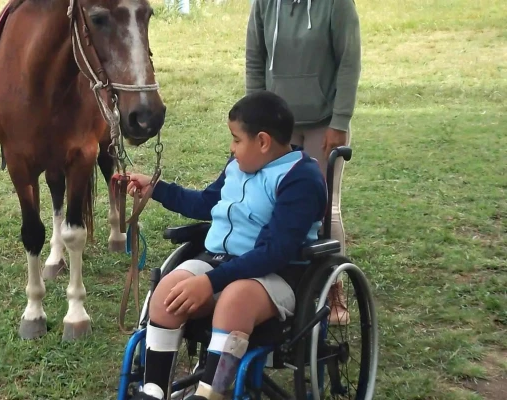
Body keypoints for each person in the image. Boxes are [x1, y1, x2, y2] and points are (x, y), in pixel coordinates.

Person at [127, 91, 327, 400]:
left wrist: (210, 282)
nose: (231, 148)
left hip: (273, 274)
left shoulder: (301, 179)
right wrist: (156, 189)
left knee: (235, 299)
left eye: (236, 139)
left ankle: (211, 392)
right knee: (168, 292)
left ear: (262, 142)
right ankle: (152, 390)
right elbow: (207, 202)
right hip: (217, 261)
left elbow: (274, 252)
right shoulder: (237, 165)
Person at [244, 0, 362, 325]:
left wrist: (340, 121)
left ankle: (333, 289)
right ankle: (281, 282)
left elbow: (349, 62)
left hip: (324, 124)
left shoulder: (337, 5)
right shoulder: (264, 5)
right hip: (279, 124)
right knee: (272, 202)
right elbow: (255, 59)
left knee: (325, 207)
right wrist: (257, 115)